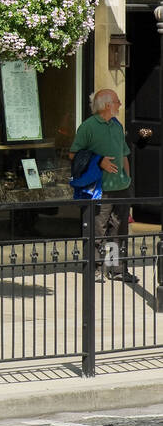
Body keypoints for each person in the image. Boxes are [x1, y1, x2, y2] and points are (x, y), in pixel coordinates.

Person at [70, 90, 144, 282]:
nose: (120, 104)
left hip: (121, 186)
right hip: (99, 188)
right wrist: (99, 160)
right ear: (106, 105)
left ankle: (116, 269)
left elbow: (124, 153)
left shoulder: (117, 125)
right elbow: (73, 155)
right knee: (98, 229)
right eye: (117, 101)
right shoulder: (88, 127)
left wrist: (127, 178)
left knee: (119, 229)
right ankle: (94, 269)